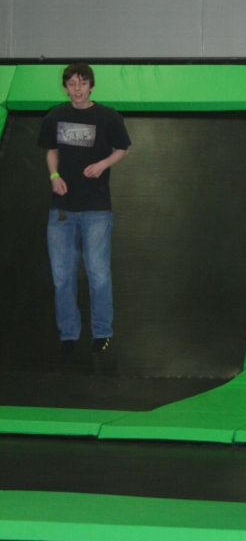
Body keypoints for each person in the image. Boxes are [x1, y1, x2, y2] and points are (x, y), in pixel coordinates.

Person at [37, 62, 131, 354]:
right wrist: (54, 176)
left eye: (82, 83)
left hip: (96, 210)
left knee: (98, 273)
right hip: (62, 210)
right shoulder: (55, 116)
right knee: (62, 275)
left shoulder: (108, 116)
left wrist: (103, 164)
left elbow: (123, 148)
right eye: (72, 84)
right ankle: (68, 333)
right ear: (65, 87)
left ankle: (102, 331)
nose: (77, 89)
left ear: (91, 85)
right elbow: (51, 150)